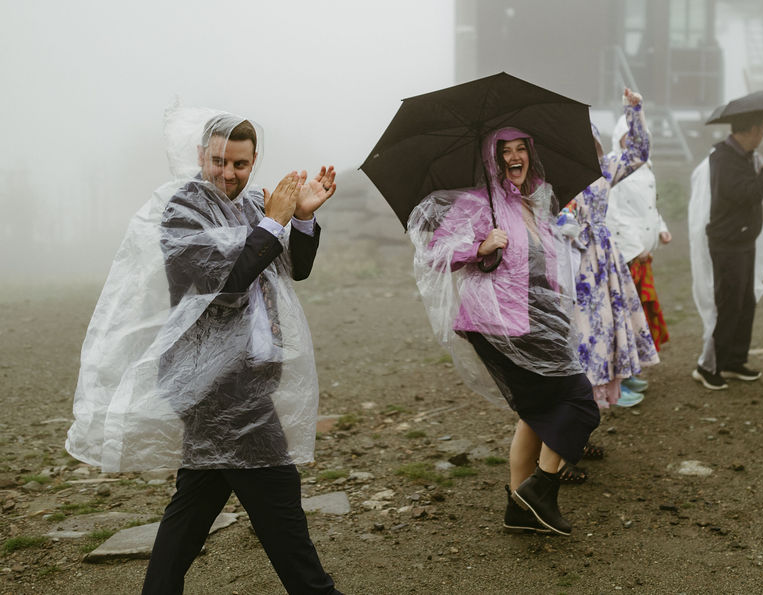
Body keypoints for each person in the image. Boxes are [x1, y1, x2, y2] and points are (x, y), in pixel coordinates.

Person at [65, 106, 342, 594]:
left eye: (240, 164)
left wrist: (300, 219)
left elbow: (292, 269)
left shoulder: (256, 205)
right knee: (277, 492)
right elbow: (227, 288)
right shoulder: (181, 211)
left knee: (195, 501)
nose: (228, 174)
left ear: (254, 161)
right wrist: (275, 223)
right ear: (200, 154)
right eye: (219, 161)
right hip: (212, 380)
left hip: (247, 375)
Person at [408, 126, 600, 537]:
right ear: (491, 160)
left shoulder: (533, 202)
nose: (514, 157)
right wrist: (477, 248)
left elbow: (544, 269)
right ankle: (541, 490)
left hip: (537, 318)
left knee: (536, 414)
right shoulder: (478, 205)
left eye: (521, 150)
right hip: (500, 323)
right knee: (581, 402)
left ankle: (520, 508)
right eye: (504, 152)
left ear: (530, 154)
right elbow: (433, 252)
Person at [569, 89, 660, 412]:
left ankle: (606, 386)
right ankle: (580, 398)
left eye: (590, 144)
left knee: (607, 324)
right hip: (570, 262)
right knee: (580, 330)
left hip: (604, 261)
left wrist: (634, 110)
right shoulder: (556, 181)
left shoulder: (604, 169)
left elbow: (637, 152)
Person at [689, 113, 763, 391]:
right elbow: (747, 194)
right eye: (762, 129)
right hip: (727, 243)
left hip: (743, 240)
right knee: (729, 304)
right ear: (751, 130)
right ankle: (707, 367)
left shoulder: (744, 156)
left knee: (745, 301)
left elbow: (756, 193)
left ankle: (733, 360)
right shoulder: (724, 158)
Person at [605, 111, 673, 370]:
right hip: (627, 255)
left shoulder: (647, 168)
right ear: (619, 138)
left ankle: (634, 365)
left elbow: (649, 206)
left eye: (638, 137)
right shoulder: (614, 168)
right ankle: (624, 369)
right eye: (628, 136)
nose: (633, 141)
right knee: (625, 312)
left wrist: (660, 228)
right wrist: (635, 247)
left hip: (644, 255)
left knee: (640, 313)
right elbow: (614, 213)